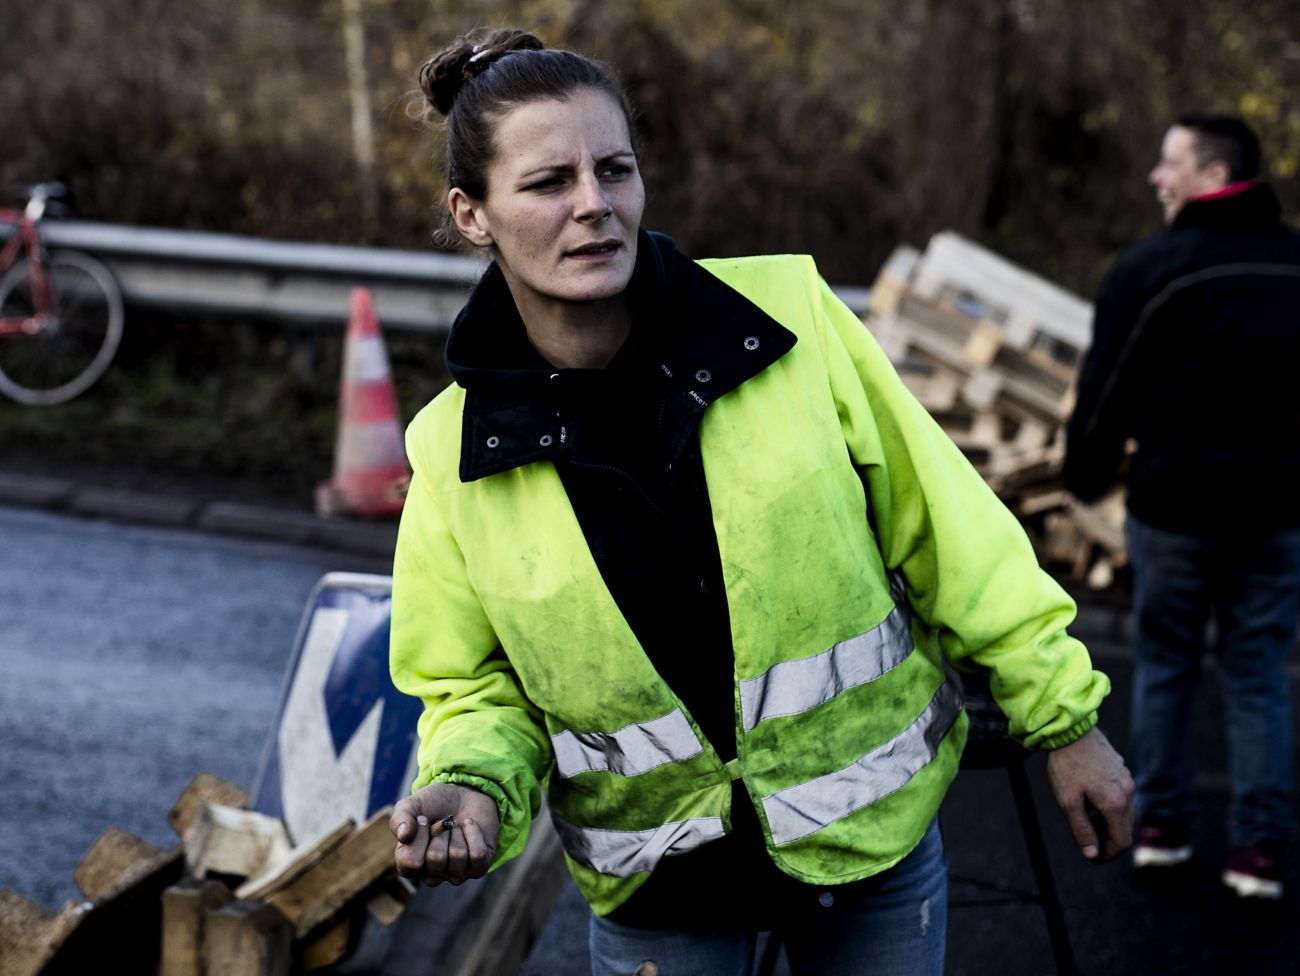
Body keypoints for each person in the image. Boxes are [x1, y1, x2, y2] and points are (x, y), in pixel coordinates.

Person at [388, 27, 1133, 975]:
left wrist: (1065, 721)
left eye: (613, 170)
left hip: (871, 848)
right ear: (472, 213)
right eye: (547, 184)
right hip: (660, 889)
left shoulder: (786, 321)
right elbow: (469, 683)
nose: (593, 206)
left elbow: (951, 531)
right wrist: (471, 781)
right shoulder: (450, 450)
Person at [1064, 114, 1300, 900]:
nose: (1154, 179)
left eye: (1167, 163)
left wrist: (1083, 476)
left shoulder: (1151, 271)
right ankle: (1257, 852)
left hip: (1174, 507)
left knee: (1164, 664)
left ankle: (1160, 829)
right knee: (1257, 671)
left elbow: (1105, 392)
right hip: (1275, 508)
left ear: (1210, 172)